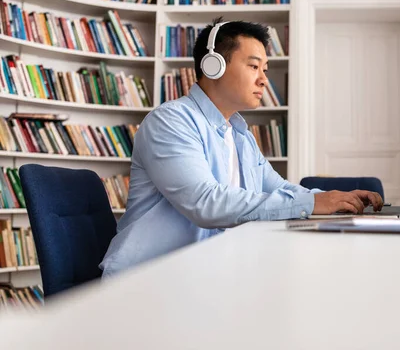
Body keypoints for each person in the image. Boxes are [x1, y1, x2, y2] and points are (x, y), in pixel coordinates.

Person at [100, 17, 383, 277]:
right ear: (214, 65)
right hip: (147, 279)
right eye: (253, 66)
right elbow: (206, 203)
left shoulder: (239, 134)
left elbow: (278, 188)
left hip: (203, 275)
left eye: (265, 69)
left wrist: (337, 201)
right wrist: (313, 204)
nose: (263, 78)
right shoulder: (171, 121)